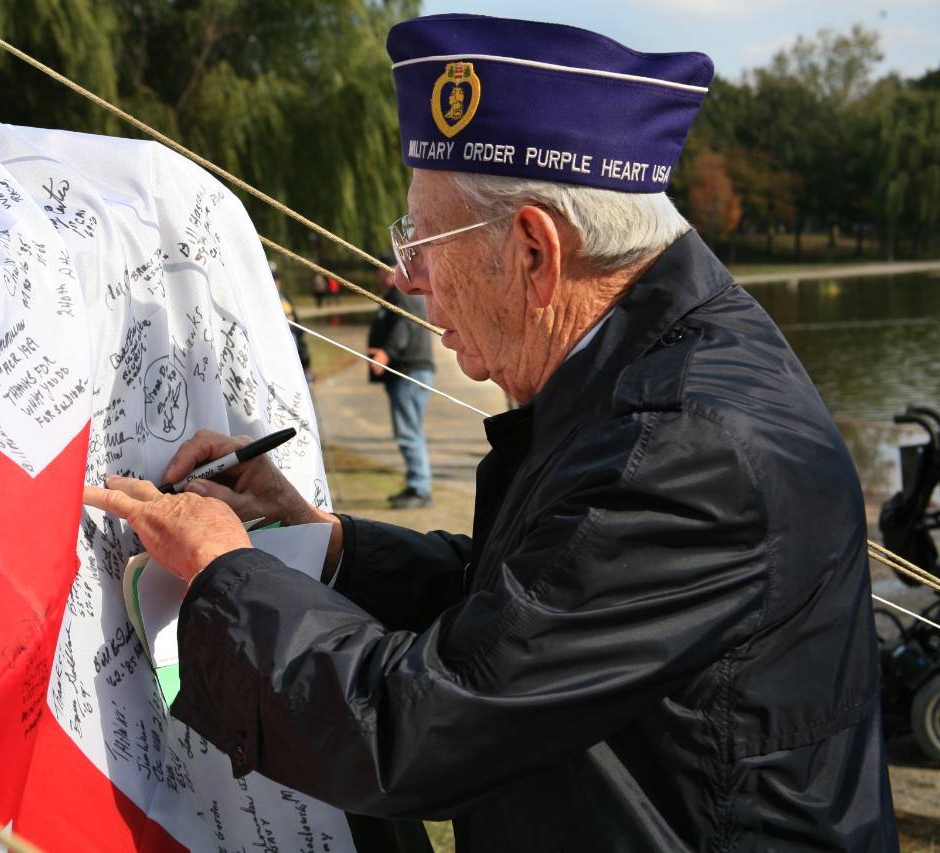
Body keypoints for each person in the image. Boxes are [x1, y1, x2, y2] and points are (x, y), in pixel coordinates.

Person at [84, 14, 897, 851]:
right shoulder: (651, 363)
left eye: (425, 240)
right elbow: (530, 604)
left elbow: (419, 727)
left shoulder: (685, 444)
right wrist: (327, 547)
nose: (408, 279)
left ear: (536, 251)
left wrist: (227, 573)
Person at [366, 255, 434, 507]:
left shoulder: (400, 294)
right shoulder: (395, 295)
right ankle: (416, 485)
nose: (377, 276)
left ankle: (420, 489)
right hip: (407, 371)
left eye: (378, 271)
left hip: (409, 371)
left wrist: (386, 352)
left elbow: (402, 328)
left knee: (408, 432)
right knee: (409, 430)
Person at [273, 261, 313, 382]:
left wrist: (304, 356)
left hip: (294, 346)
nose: (275, 283)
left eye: (276, 279)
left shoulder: (285, 297)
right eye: (271, 279)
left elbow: (297, 326)